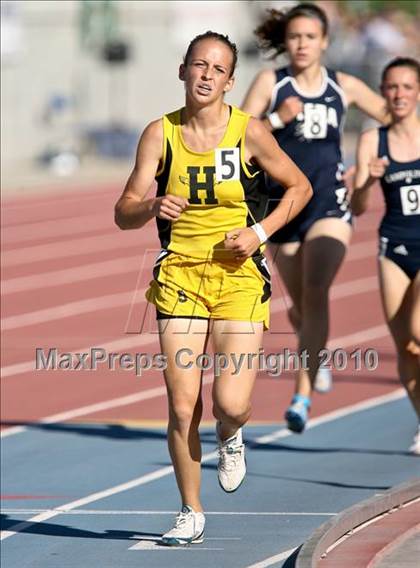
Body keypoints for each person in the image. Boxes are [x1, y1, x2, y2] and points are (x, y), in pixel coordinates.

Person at [114, 31, 312, 546]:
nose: (206, 75)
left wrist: (259, 233)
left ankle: (231, 432)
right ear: (182, 71)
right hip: (180, 275)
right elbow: (123, 211)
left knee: (229, 402)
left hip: (238, 277)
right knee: (182, 405)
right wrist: (152, 206)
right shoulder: (160, 135)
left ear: (229, 81)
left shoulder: (249, 131)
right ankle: (190, 510)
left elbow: (299, 188)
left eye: (217, 69)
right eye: (198, 65)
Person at [241, 3, 389, 433]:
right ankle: (316, 351)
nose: (301, 45)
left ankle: (301, 396)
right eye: (294, 37)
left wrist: (366, 162)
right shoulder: (272, 81)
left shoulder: (343, 86)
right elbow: (239, 136)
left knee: (316, 288)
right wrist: (274, 118)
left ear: (325, 41)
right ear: (285, 42)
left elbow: (396, 119)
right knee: (301, 308)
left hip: (329, 201)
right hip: (282, 205)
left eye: (310, 37)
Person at [351, 57, 420, 454]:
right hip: (393, 246)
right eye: (391, 87)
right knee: (407, 349)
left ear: (417, 92)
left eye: (406, 87)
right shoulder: (371, 141)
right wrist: (369, 180)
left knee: (419, 332)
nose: (398, 95)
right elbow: (359, 206)